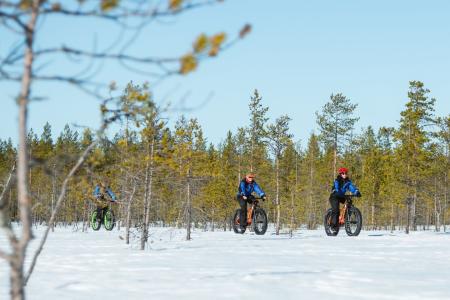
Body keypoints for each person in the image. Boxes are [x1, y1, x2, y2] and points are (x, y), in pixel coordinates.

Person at [329, 167, 361, 233]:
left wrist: (356, 192)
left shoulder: (347, 182)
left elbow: (352, 188)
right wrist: (337, 191)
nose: (345, 174)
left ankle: (347, 219)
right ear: (340, 174)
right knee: (336, 210)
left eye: (346, 173)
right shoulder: (337, 180)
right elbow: (337, 187)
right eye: (343, 173)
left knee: (349, 202)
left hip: (341, 196)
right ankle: (333, 226)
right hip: (334, 196)